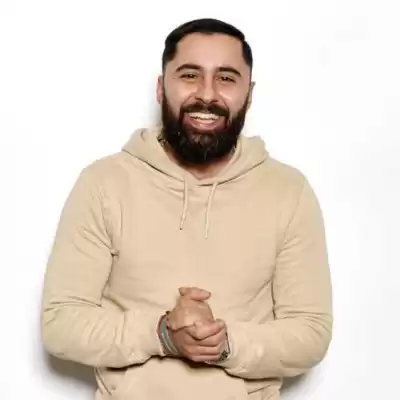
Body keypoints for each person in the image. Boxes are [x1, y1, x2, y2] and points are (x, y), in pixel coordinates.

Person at [41, 17, 333, 400]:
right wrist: (162, 333)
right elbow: (61, 323)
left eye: (226, 78)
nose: (207, 95)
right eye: (190, 75)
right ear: (161, 88)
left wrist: (226, 343)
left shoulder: (288, 191)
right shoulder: (104, 183)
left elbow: (311, 332)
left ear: (249, 94)